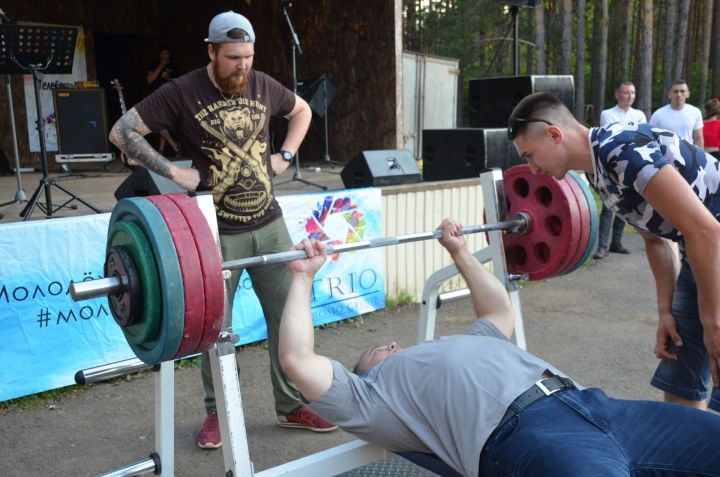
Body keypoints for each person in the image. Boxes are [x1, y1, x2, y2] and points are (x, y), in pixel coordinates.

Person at [278, 220, 720, 477]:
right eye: (378, 350)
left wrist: (459, 252)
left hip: (600, 406)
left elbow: (498, 312)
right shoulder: (374, 400)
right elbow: (298, 360)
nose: (393, 343)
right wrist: (302, 277)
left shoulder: (466, 344)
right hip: (530, 438)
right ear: (365, 372)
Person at [109, 10, 337, 450]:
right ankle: (219, 414)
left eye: (248, 56)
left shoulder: (264, 83)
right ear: (211, 51)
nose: (242, 66)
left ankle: (290, 406)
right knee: (215, 328)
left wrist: (285, 156)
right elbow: (123, 133)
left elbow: (302, 110)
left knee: (288, 316)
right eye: (233, 57)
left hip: (269, 223)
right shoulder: (181, 91)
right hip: (214, 232)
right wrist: (174, 174)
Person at [506, 92, 720, 413]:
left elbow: (706, 229)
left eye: (531, 156)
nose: (532, 169)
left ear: (554, 135)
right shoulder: (597, 172)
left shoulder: (620, 150)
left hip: (711, 239)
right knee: (681, 389)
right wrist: (666, 311)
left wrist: (712, 320)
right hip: (699, 249)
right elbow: (655, 239)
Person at [593, 81, 647, 259]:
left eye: (632, 93)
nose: (630, 96)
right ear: (617, 94)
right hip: (612, 167)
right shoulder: (607, 114)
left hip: (632, 165)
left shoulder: (639, 115)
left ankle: (616, 242)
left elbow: (641, 137)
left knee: (626, 205)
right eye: (626, 93)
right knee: (609, 206)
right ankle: (602, 246)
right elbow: (613, 136)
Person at [145, 45, 181, 156]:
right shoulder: (154, 64)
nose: (163, 56)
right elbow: (150, 80)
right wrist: (160, 66)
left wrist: (168, 78)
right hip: (155, 98)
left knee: (162, 124)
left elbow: (178, 84)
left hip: (169, 98)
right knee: (156, 122)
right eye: (161, 53)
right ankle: (174, 146)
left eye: (165, 54)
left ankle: (161, 150)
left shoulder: (174, 67)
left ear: (169, 55)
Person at [649, 79, 704, 147]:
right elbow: (651, 138)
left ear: (688, 94)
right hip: (665, 156)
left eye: (682, 91)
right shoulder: (658, 114)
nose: (679, 94)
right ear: (669, 94)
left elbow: (698, 138)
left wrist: (700, 157)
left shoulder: (695, 112)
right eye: (675, 91)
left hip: (688, 155)